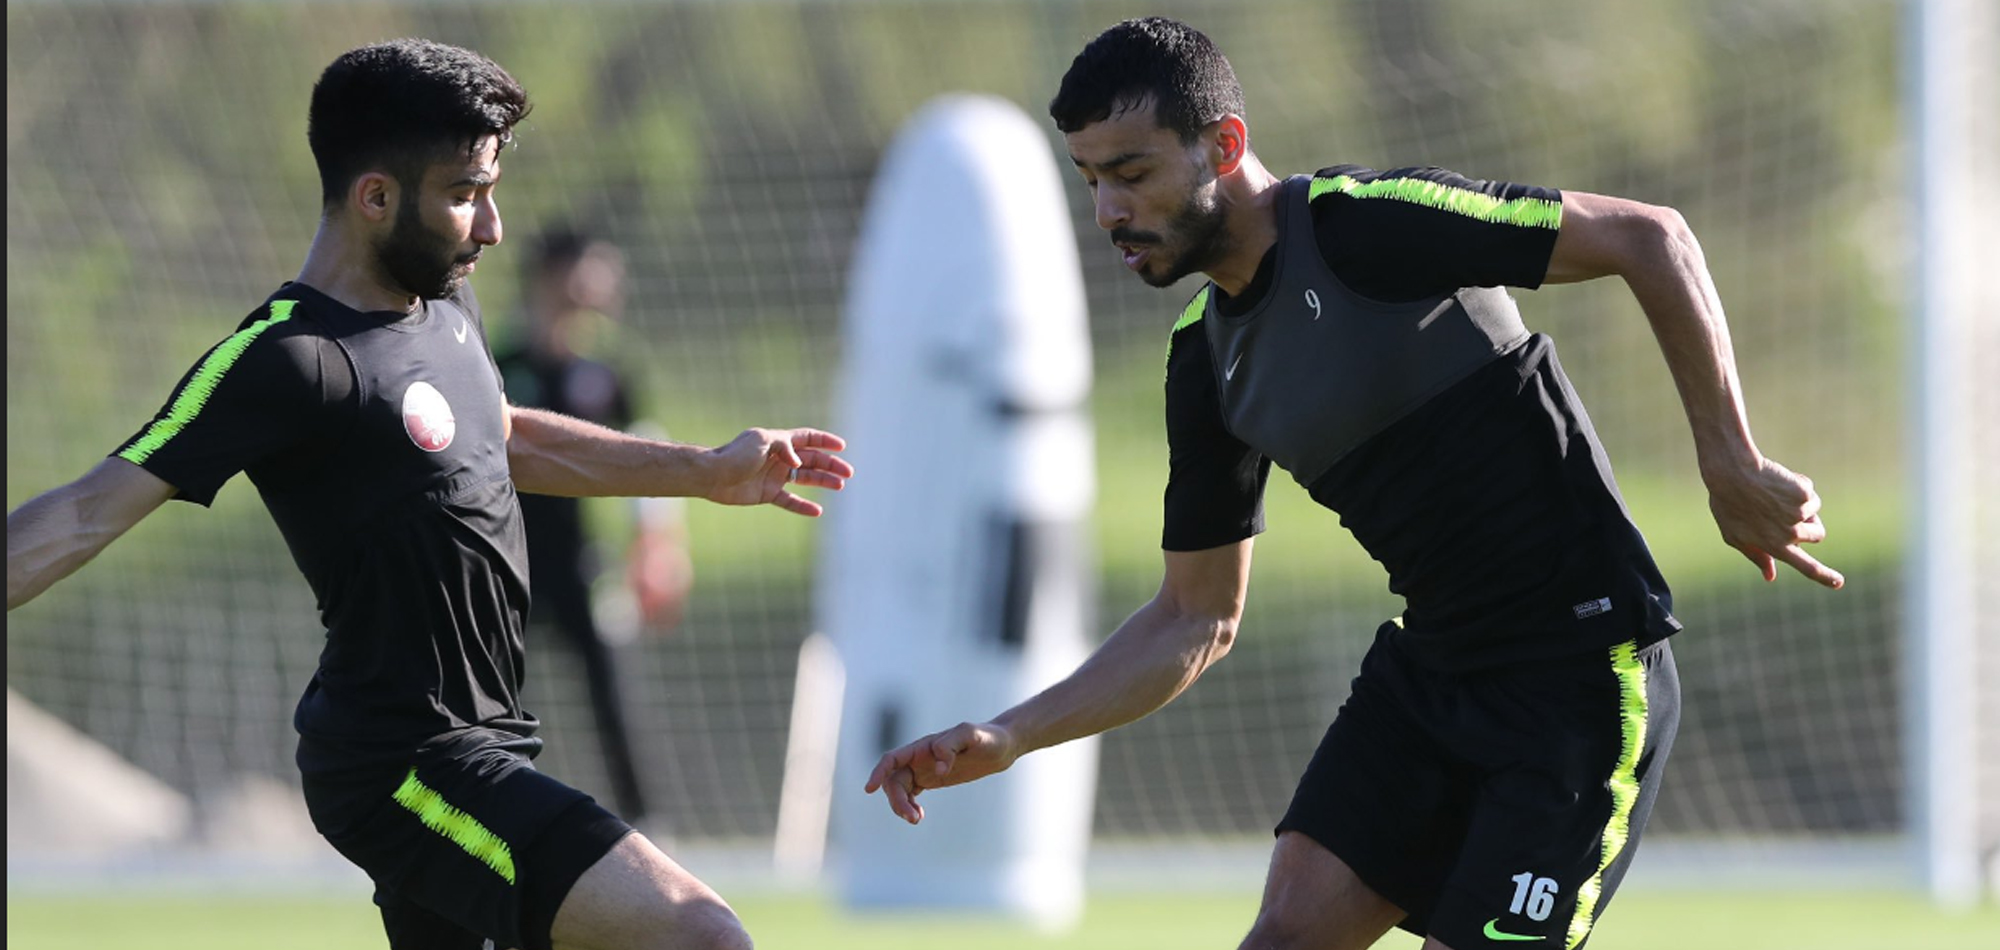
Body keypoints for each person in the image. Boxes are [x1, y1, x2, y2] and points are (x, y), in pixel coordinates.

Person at [865, 17, 1839, 950]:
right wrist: (1009, 730)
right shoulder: (1201, 364)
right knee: (1283, 933)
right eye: (1088, 180)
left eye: (1130, 172)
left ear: (1221, 143)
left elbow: (1648, 235)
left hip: (1577, 684)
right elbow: (1192, 618)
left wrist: (1727, 459)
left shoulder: (1368, 225)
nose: (1108, 211)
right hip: (1429, 678)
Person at [6, 39, 851, 950]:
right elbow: (88, 510)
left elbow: (501, 431)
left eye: (490, 191)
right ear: (375, 197)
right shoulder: (287, 360)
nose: (490, 227)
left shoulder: (446, 304)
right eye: (463, 194)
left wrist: (703, 472)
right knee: (699, 934)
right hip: (406, 765)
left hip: (485, 741)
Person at [494, 229, 691, 827]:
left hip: (582, 565)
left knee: (614, 691)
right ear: (553, 274)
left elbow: (647, 451)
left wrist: (657, 547)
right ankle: (492, 811)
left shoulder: (609, 373)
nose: (606, 282)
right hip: (503, 561)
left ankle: (646, 826)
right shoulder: (498, 363)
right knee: (488, 696)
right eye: (591, 268)